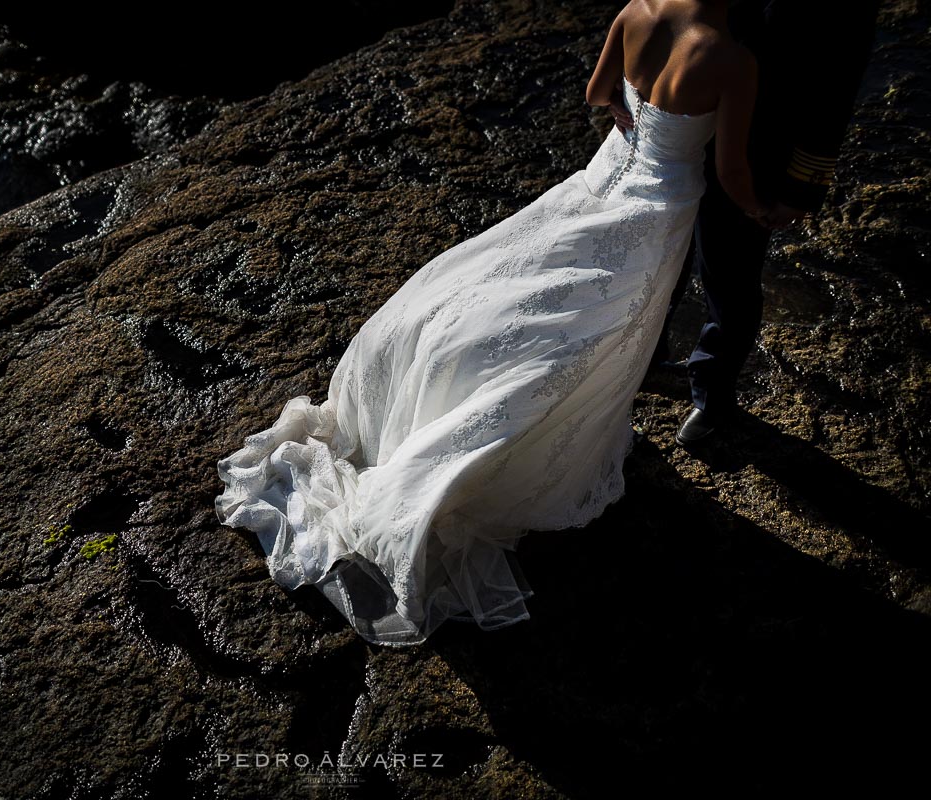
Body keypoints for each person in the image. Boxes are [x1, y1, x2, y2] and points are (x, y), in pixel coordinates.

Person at [215, 0, 770, 646]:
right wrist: (766, 212)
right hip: (658, 207)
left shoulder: (639, 9)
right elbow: (731, 174)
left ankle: (467, 397)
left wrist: (636, 134)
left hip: (603, 178)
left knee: (534, 294)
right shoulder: (733, 59)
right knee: (600, 329)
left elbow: (598, 92)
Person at [626, 0, 881, 444]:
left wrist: (799, 186)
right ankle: (675, 381)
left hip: (727, 135)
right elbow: (833, 85)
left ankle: (692, 388)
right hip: (718, 136)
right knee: (693, 267)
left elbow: (833, 83)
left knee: (708, 270)